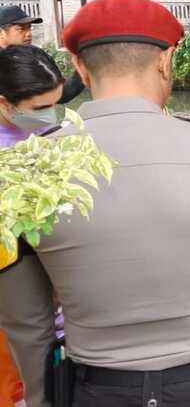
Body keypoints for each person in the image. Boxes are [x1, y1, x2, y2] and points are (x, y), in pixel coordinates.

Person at [0, 0, 190, 407]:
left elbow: (27, 320)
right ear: (165, 60)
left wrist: (42, 398)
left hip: (95, 390)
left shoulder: (25, 173)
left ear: (80, 68)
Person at [0, 44, 66, 406]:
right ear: (4, 102)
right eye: (39, 109)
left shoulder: (49, 133)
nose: (50, 116)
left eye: (54, 104)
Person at [0, 5, 86, 104]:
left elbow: (60, 93)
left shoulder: (37, 54)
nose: (28, 34)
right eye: (21, 29)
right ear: (1, 33)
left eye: (29, 28)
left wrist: (83, 68)